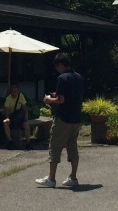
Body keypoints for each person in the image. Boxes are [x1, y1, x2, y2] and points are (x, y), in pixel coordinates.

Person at [36, 53, 84, 189]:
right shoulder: (79, 77)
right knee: (72, 146)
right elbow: (71, 96)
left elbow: (61, 100)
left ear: (61, 64)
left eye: (57, 67)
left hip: (63, 118)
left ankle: (51, 178)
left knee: (55, 146)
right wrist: (56, 95)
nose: (57, 70)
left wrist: (48, 99)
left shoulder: (62, 78)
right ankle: (73, 177)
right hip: (76, 118)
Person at [2, 83, 30, 149]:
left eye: (15, 91)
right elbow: (6, 109)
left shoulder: (21, 96)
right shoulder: (8, 99)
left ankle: (28, 142)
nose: (14, 93)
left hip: (19, 117)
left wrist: (26, 117)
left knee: (26, 124)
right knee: (5, 122)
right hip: (11, 117)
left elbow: (25, 108)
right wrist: (7, 118)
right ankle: (10, 140)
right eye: (12, 91)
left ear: (18, 91)